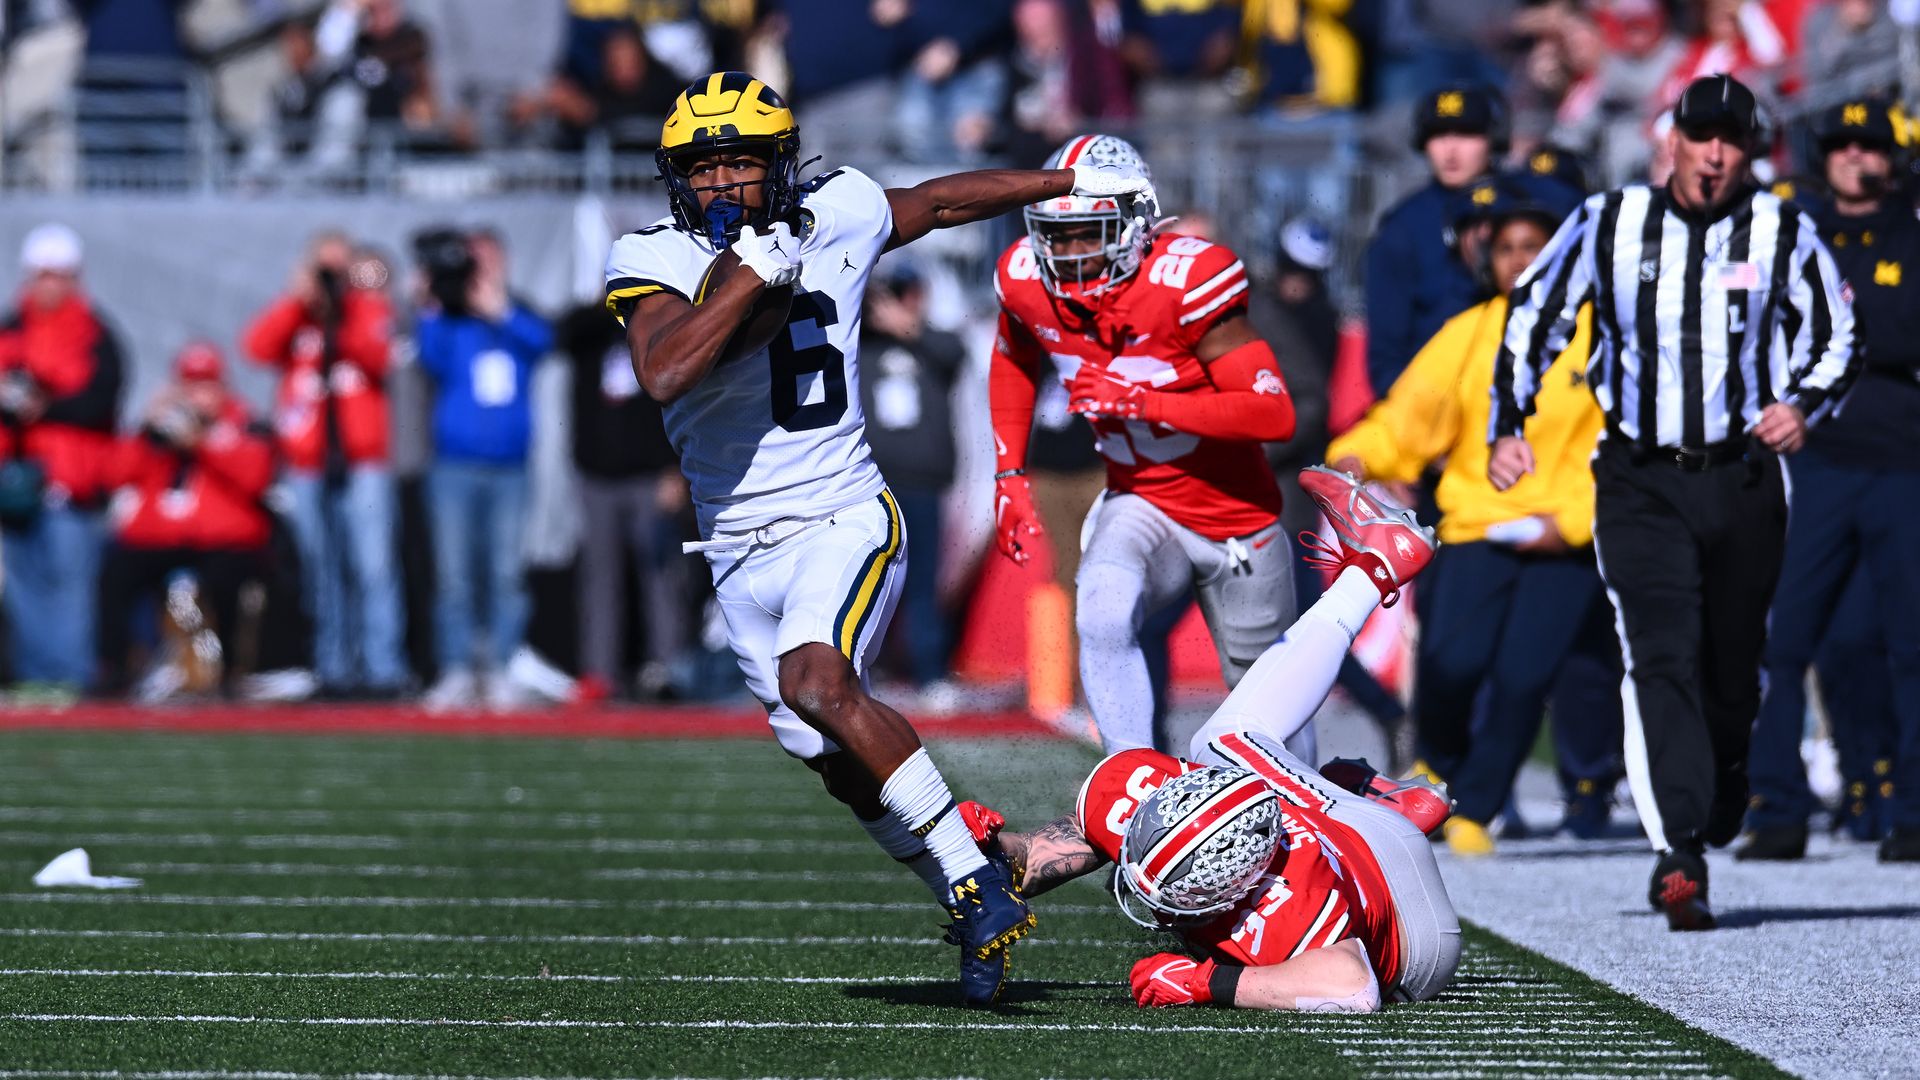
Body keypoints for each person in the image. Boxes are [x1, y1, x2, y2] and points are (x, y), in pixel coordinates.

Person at [603, 71, 1154, 1007]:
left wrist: (1062, 187)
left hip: (842, 513)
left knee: (817, 681)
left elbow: (939, 200)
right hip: (735, 550)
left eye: (742, 161)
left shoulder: (839, 210)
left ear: (781, 165)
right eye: (705, 166)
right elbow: (664, 371)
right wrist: (749, 279)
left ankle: (975, 885)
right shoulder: (651, 253)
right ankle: (977, 868)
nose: (723, 184)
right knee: (838, 767)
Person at [1489, 75, 1861, 930]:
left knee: (1734, 667)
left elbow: (1841, 333)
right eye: (1702, 136)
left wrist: (1803, 402)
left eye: (1732, 138)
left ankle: (1723, 782)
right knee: (1658, 650)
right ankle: (1679, 851)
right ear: (1674, 140)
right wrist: (1509, 421)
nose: (1716, 154)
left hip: (1741, 472)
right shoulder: (1609, 221)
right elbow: (1531, 314)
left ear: (1750, 149)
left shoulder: (1781, 228)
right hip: (1638, 474)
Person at [959, 467, 1459, 1011]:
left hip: (1418, 946)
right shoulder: (1172, 799)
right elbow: (1044, 854)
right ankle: (1358, 795)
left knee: (1221, 739)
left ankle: (1368, 787)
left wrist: (1208, 984)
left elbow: (1352, 985)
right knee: (1214, 746)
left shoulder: (1282, 912)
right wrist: (985, 852)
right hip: (1360, 850)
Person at [1331, 186, 1622, 856]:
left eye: (1535, 247)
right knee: (1450, 662)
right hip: (1476, 525)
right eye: (1508, 249)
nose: (1521, 261)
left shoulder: (1602, 338)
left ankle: (1477, 807)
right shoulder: (1471, 333)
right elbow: (1411, 417)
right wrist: (1358, 456)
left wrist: (1574, 521)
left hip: (1567, 535)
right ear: (1487, 260)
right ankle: (1440, 769)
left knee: (1523, 679)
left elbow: (1619, 448)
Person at [991, 134, 1300, 761]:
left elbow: (1274, 412)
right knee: (1101, 610)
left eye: (1090, 235)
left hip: (1234, 517)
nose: (1070, 254)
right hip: (1140, 498)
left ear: (1135, 222)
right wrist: (1008, 473)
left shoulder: (1188, 281)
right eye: (1056, 236)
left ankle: (1309, 826)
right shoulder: (1025, 279)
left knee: (1266, 702)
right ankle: (1130, 785)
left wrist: (1145, 402)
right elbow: (1013, 360)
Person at [1739, 99, 1920, 864]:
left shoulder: (1911, 231)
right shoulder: (1792, 227)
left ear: (1893, 156)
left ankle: (1910, 807)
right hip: (1808, 462)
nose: (1854, 157)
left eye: (1869, 146)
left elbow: (1894, 329)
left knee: (1908, 645)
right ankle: (1779, 807)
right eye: (1841, 146)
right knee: (1783, 639)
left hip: (1901, 460)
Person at [243, 230, 407, 699]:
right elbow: (255, 348)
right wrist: (298, 302)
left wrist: (347, 308)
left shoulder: (367, 311)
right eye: (324, 269)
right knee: (322, 568)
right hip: (308, 463)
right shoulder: (299, 320)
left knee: (373, 567)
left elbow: (380, 358)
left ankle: (382, 670)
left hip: (362, 461)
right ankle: (332, 667)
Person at [415, 230, 552, 711]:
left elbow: (544, 342)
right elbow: (428, 359)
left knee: (505, 573)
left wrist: (501, 311)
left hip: (510, 468)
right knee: (454, 575)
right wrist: (432, 302)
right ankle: (455, 669)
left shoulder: (518, 312)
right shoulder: (449, 320)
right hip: (454, 465)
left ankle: (499, 667)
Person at [95, 343, 274, 697]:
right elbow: (114, 475)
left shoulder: (242, 422)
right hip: (162, 538)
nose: (197, 395)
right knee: (115, 571)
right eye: (189, 385)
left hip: (221, 541)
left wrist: (202, 443)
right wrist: (147, 428)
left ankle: (228, 672)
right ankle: (116, 669)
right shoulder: (159, 431)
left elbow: (256, 477)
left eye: (205, 385)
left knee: (227, 578)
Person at [0, 223, 123, 701]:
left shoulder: (95, 334)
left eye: (59, 275)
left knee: (68, 582)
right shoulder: (12, 328)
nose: (49, 285)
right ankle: (36, 675)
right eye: (42, 275)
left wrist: (41, 402)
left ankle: (71, 675)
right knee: (26, 582)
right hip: (17, 475)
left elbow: (98, 401)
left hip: (72, 478)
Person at [558, 297, 690, 704]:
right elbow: (563, 332)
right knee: (600, 576)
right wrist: (606, 302)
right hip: (597, 476)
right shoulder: (591, 327)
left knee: (661, 575)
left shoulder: (664, 322)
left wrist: (675, 468)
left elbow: (679, 396)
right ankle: (600, 671)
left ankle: (669, 668)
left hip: (649, 475)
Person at [857, 263, 966, 705]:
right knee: (870, 584)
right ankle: (867, 672)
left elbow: (956, 354)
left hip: (922, 482)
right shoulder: (858, 341)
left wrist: (910, 328)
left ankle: (929, 673)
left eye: (904, 292)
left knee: (921, 583)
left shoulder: (933, 342)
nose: (895, 303)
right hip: (869, 482)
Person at [1364, 84, 1503, 398]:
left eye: (1466, 135)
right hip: (1434, 401)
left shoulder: (1525, 212)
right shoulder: (1402, 227)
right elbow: (1387, 359)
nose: (1451, 150)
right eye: (1439, 136)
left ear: (1492, 141)